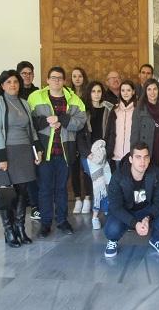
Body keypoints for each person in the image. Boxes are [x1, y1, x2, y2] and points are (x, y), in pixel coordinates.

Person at [28, 66, 86, 238]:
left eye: (60, 78)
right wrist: (47, 121)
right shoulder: (35, 97)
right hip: (44, 152)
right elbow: (29, 123)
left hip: (65, 151)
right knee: (44, 189)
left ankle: (62, 220)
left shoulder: (74, 99)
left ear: (64, 81)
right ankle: (45, 223)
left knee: (61, 188)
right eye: (53, 78)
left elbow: (81, 122)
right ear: (47, 80)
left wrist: (61, 120)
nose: (56, 81)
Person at [0, 70, 42, 247]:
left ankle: (20, 228)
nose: (13, 85)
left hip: (24, 152)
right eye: (9, 82)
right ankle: (9, 231)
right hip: (5, 152)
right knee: (7, 193)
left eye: (16, 82)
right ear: (2, 85)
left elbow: (32, 129)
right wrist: (2, 157)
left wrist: (37, 150)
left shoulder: (25, 104)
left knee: (22, 193)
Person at [104, 142, 159, 257]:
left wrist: (148, 217)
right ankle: (112, 241)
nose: (142, 161)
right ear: (131, 159)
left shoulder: (155, 173)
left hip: (147, 211)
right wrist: (134, 223)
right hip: (127, 212)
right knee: (112, 230)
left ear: (149, 159)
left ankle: (156, 239)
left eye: (146, 157)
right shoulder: (119, 176)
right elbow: (115, 206)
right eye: (138, 157)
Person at [77, 81, 115, 229]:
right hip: (89, 155)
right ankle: (95, 216)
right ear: (89, 93)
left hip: (104, 153)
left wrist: (108, 152)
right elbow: (79, 136)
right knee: (97, 185)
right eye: (93, 91)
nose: (97, 94)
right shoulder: (83, 111)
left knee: (108, 183)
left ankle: (105, 211)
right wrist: (87, 154)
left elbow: (112, 133)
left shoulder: (108, 110)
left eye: (99, 91)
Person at [16, 61, 41, 221]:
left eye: (30, 73)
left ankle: (35, 206)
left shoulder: (38, 93)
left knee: (33, 173)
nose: (27, 76)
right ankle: (18, 207)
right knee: (19, 174)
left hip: (34, 137)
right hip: (17, 139)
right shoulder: (13, 93)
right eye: (24, 73)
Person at [131, 78, 159, 177]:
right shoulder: (139, 109)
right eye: (149, 89)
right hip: (146, 151)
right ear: (145, 91)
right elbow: (134, 135)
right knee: (148, 180)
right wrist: (134, 156)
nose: (152, 92)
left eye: (155, 89)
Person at [69, 66, 89, 215]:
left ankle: (88, 198)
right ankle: (77, 198)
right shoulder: (67, 95)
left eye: (80, 76)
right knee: (74, 169)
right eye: (74, 76)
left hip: (86, 136)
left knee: (87, 169)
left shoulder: (89, 95)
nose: (77, 78)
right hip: (70, 136)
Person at [105, 80, 137, 173]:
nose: (125, 93)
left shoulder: (138, 110)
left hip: (132, 154)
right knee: (118, 182)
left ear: (133, 92)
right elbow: (109, 131)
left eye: (128, 90)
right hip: (116, 154)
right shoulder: (115, 110)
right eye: (123, 90)